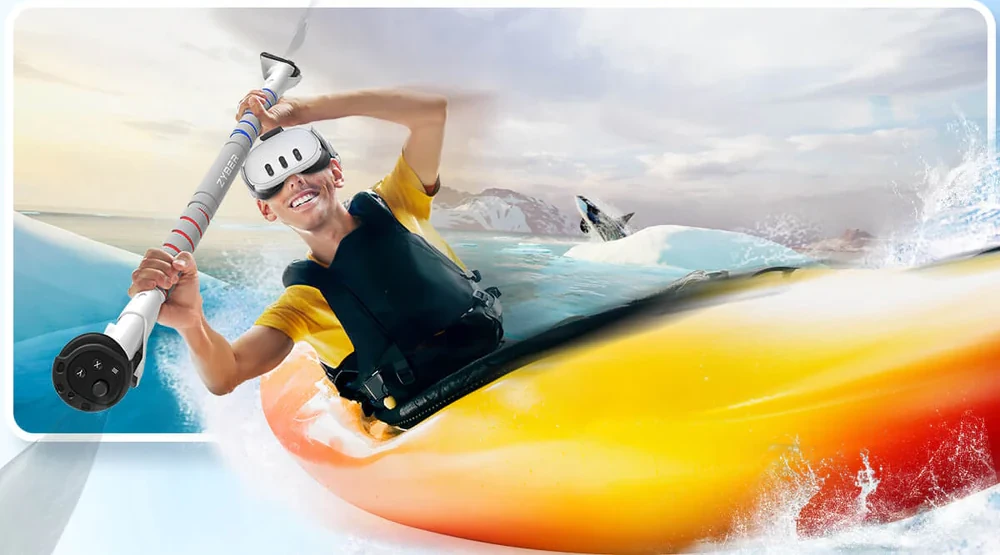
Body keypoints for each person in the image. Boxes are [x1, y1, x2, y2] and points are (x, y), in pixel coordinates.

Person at [128, 87, 504, 421]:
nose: (294, 180)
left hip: (499, 361)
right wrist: (192, 322)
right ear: (267, 210)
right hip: (419, 414)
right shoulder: (303, 303)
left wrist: (300, 112)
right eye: (275, 182)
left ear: (336, 172)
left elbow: (430, 112)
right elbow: (226, 374)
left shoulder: (399, 199)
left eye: (305, 164)